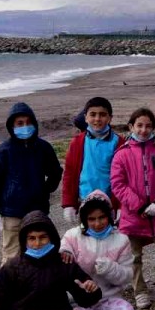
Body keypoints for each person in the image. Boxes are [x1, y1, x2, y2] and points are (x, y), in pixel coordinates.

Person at [109, 106, 155, 310]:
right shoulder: (121, 155)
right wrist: (138, 205)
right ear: (131, 126)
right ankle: (140, 291)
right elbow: (118, 184)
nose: (143, 130)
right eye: (139, 125)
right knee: (134, 258)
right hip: (132, 217)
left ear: (154, 128)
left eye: (148, 126)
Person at [0, 102, 63, 265]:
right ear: (12, 126)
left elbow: (56, 172)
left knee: (40, 250)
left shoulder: (44, 148)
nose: (25, 126)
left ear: (35, 124)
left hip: (37, 210)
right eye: (20, 123)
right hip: (12, 212)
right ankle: (8, 288)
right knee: (11, 255)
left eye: (28, 122)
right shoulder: (3, 150)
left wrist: (44, 190)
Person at [60, 191, 136, 310]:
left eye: (102, 217)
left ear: (110, 216)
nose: (97, 223)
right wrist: (65, 252)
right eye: (91, 219)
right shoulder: (72, 237)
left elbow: (128, 275)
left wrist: (110, 269)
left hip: (107, 297)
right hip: (78, 300)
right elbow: (61, 260)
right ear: (84, 219)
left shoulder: (121, 240)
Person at [61, 97, 125, 228]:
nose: (97, 119)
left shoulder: (119, 143)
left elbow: (124, 177)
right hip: (84, 202)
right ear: (85, 117)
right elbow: (70, 174)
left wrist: (120, 206)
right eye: (93, 114)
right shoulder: (77, 142)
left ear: (110, 118)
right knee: (86, 244)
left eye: (102, 114)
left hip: (109, 204)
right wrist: (69, 204)